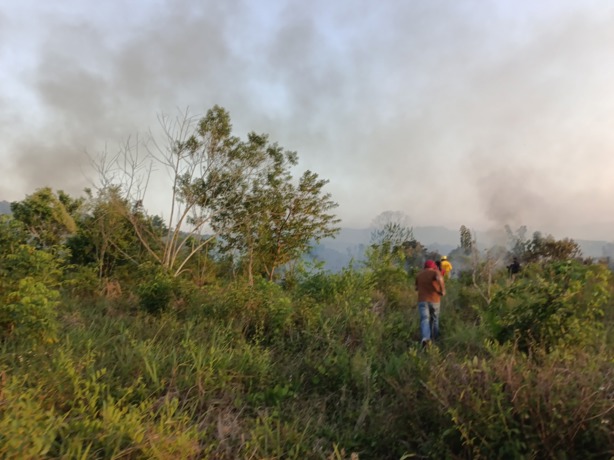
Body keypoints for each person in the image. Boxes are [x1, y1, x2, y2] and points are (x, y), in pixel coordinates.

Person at [415, 260, 446, 348]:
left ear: (425, 266)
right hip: (435, 300)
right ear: (433, 266)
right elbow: (439, 278)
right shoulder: (435, 272)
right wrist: (442, 290)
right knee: (435, 319)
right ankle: (435, 339)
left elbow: (416, 288)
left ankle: (426, 338)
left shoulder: (419, 275)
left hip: (422, 300)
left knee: (425, 319)